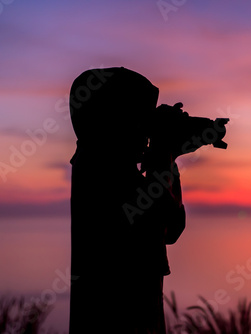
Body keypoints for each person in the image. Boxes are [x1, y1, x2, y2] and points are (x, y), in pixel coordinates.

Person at [68, 67, 186, 333]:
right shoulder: (103, 168)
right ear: (114, 119)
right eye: (140, 119)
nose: (145, 132)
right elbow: (168, 218)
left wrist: (169, 157)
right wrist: (165, 151)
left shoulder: (95, 161)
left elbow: (170, 227)